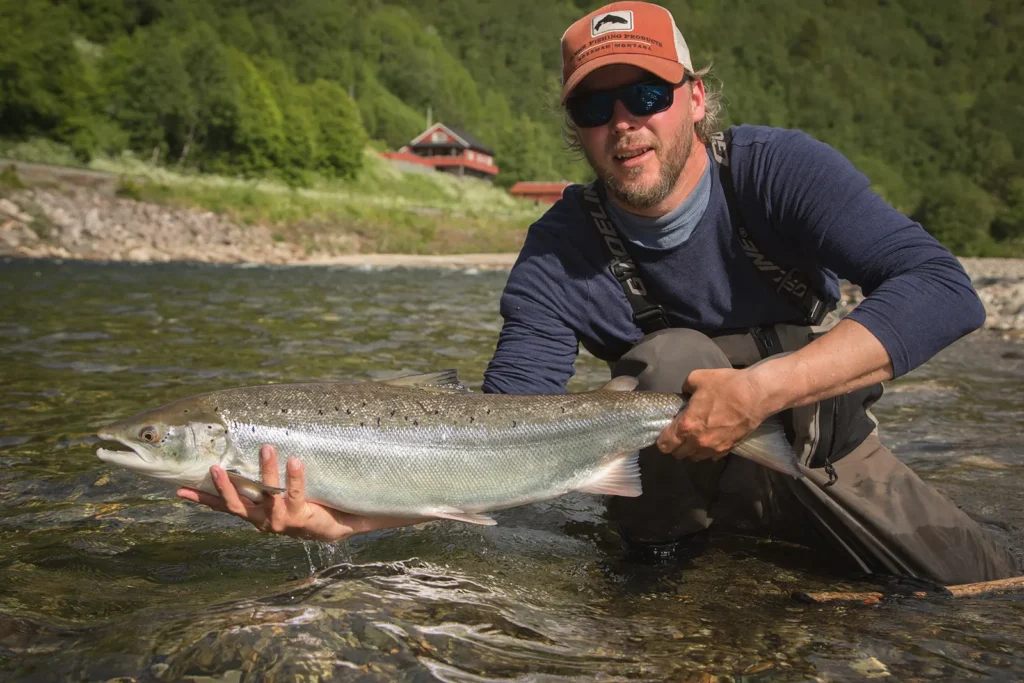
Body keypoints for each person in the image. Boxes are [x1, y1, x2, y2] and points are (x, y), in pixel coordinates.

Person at [178, 1, 1018, 585]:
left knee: (986, 584)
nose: (626, 120)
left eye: (648, 93)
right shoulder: (559, 250)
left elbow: (944, 290)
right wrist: (353, 517)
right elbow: (492, 437)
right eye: (595, 103)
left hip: (804, 440)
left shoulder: (776, 170)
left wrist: (760, 391)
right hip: (667, 494)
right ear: (574, 124)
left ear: (694, 97)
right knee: (667, 364)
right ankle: (678, 586)